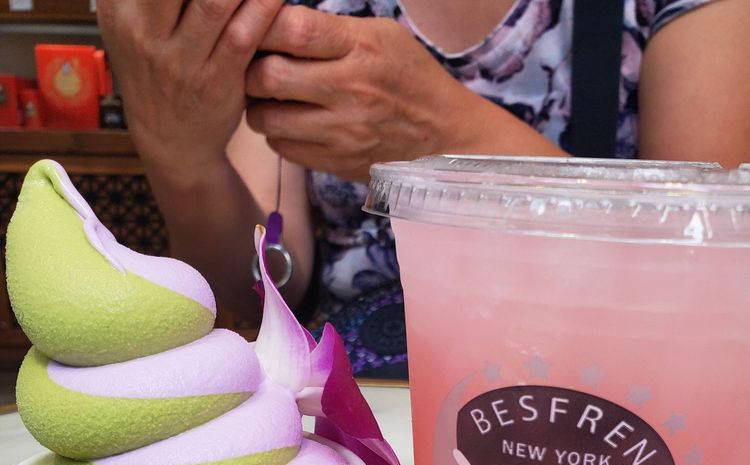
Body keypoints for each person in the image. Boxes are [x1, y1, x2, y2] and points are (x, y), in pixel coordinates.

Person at [97, 0, 750, 376]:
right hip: (352, 408)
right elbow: (269, 279)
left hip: (598, 400)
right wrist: (181, 158)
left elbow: (708, 269)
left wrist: (444, 139)